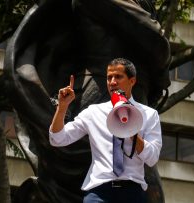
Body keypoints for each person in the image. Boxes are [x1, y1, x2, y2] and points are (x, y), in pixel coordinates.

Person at [49, 58, 162, 203]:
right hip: (99, 192)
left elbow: (152, 158)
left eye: (118, 77)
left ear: (132, 81)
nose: (112, 82)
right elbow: (57, 139)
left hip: (132, 192)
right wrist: (62, 107)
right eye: (109, 77)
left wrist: (131, 130)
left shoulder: (149, 114)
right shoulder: (94, 112)